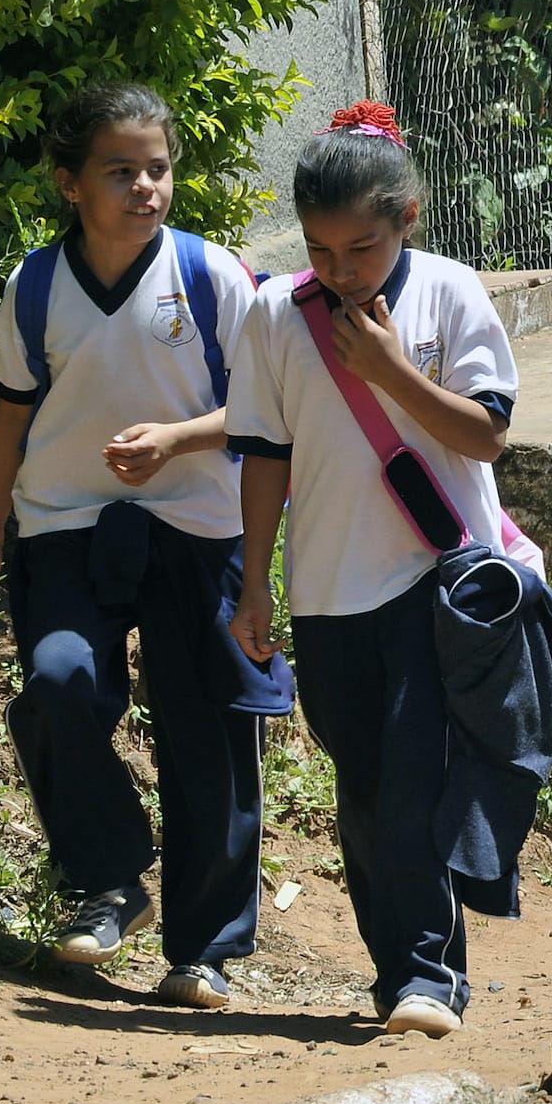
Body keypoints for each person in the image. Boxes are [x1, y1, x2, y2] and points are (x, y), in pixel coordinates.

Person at [0, 81, 288, 1010]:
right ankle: (108, 881)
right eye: (121, 172)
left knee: (209, 736)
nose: (146, 187)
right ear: (70, 183)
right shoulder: (33, 288)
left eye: (158, 169)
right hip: (63, 525)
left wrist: (176, 440)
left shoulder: (212, 274)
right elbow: (10, 419)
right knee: (61, 681)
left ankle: (205, 951)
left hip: (198, 529)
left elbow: (267, 412)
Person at [225, 101, 522, 1039]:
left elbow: (489, 434)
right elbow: (263, 453)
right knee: (362, 785)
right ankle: (400, 970)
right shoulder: (277, 314)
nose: (339, 270)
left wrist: (392, 370)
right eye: (319, 250)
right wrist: (254, 581)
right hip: (325, 591)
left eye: (360, 249)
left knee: (412, 780)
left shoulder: (451, 294)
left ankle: (427, 976)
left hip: (437, 585)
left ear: (409, 218)